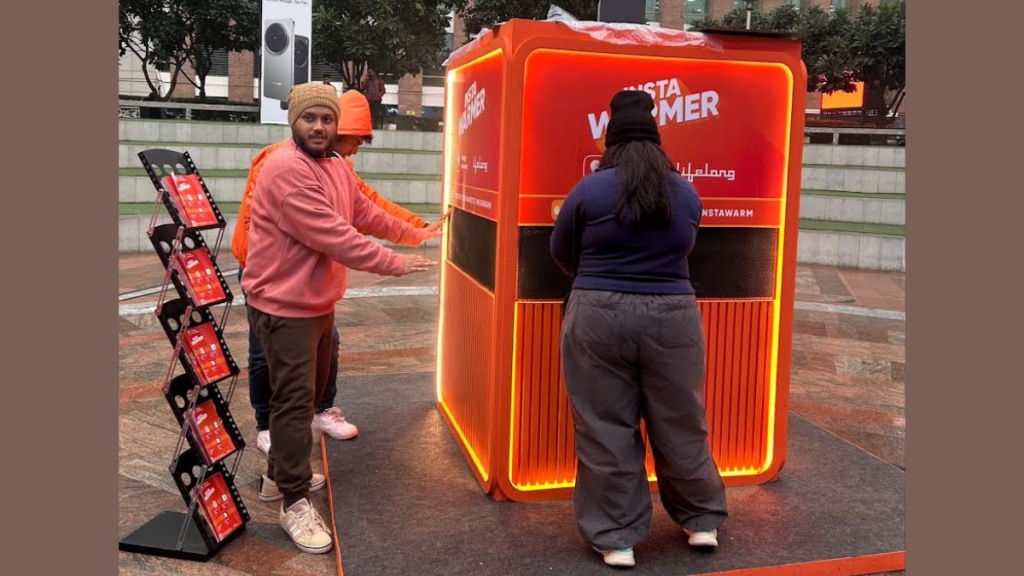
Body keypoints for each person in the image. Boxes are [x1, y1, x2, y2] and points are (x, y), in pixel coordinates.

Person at [242, 82, 439, 554]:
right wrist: (394, 262)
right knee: (293, 406)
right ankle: (291, 501)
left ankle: (276, 480)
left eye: (327, 119)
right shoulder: (286, 169)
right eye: (310, 118)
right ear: (294, 122)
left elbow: (364, 213)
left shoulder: (334, 165)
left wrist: (414, 234)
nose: (320, 127)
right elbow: (335, 236)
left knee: (305, 398)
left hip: (315, 304)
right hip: (283, 306)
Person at [550, 89, 727, 569]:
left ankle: (616, 538)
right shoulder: (685, 191)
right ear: (656, 142)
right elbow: (688, 248)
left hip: (598, 314)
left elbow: (560, 249)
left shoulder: (591, 188)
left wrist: (596, 281)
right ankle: (701, 522)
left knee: (606, 426)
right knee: (681, 419)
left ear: (611, 142)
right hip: (673, 313)